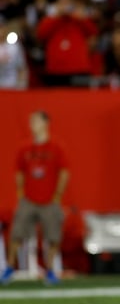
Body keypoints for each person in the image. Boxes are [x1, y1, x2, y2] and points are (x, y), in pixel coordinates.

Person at [1, 111, 69, 285]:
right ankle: (9, 267)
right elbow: (19, 172)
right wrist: (21, 193)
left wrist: (57, 195)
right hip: (29, 199)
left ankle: (50, 270)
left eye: (36, 121)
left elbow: (64, 171)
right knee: (17, 233)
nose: (32, 124)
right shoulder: (25, 148)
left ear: (46, 123)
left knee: (53, 236)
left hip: (49, 200)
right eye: (31, 121)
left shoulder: (56, 147)